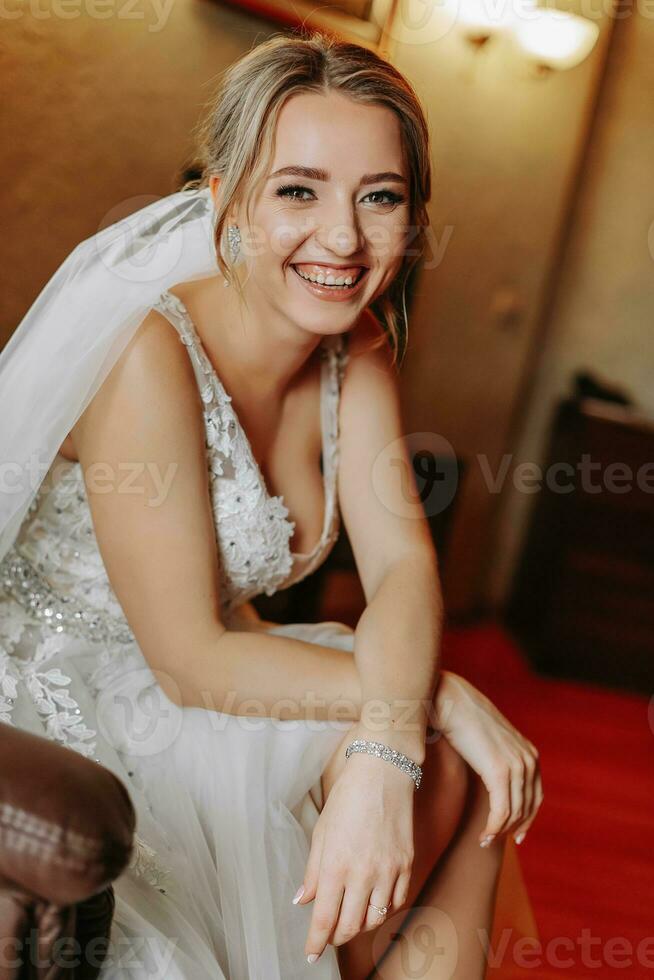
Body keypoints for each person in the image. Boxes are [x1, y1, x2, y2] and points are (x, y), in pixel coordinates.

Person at [0, 30, 543, 980]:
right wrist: (429, 699)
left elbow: (406, 570)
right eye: (299, 190)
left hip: (219, 666)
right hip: (87, 688)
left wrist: (392, 741)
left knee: (455, 778)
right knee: (446, 750)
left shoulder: (359, 347)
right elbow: (187, 662)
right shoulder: (145, 355)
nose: (342, 237)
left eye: (379, 197)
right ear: (226, 205)